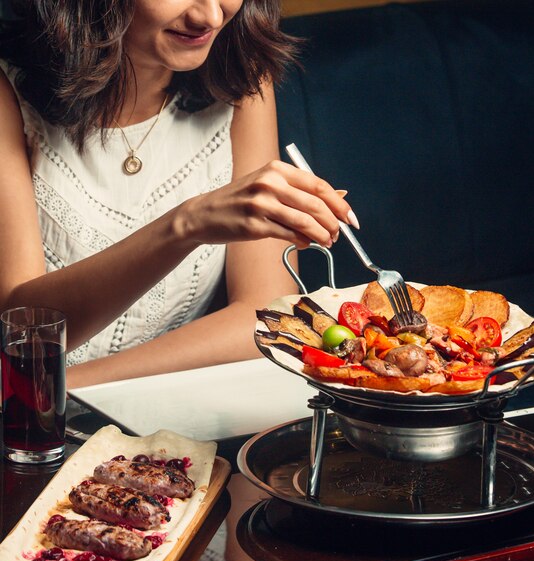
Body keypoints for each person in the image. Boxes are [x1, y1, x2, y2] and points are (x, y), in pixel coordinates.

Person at [0, 0, 358, 389]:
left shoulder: (241, 78)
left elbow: (263, 317)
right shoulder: (8, 91)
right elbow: (25, 331)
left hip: (126, 413)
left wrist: (66, 389)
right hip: (24, 433)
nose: (209, 16)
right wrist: (185, 226)